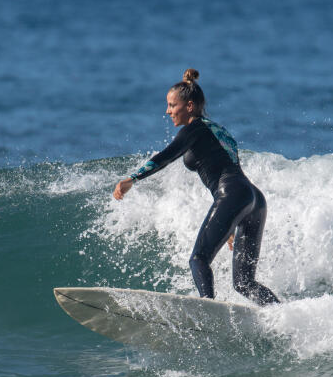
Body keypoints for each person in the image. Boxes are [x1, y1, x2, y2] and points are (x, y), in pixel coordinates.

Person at [113, 69, 280, 306]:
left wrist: (132, 179)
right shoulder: (216, 130)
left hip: (233, 194)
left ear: (189, 106)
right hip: (253, 199)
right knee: (244, 283)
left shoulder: (193, 129)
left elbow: (166, 156)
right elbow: (227, 167)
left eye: (172, 105)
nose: (168, 111)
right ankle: (282, 315)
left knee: (198, 260)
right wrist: (233, 220)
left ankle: (208, 310)